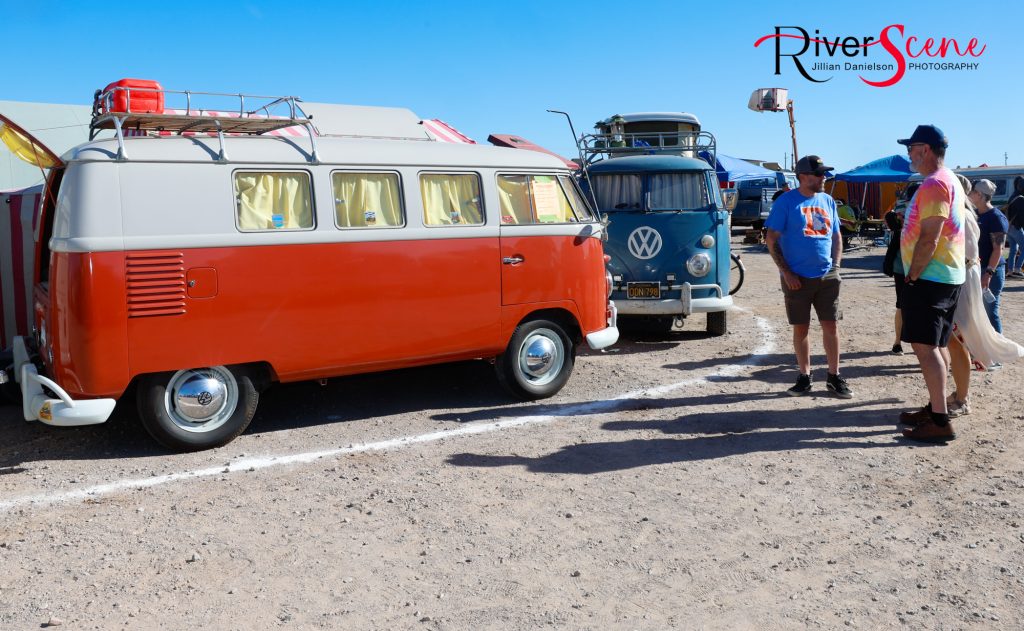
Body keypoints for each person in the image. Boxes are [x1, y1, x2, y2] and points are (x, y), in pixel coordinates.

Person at [895, 125, 966, 443]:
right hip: (944, 276)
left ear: (924, 149)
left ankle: (939, 421)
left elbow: (930, 237)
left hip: (930, 278)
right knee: (936, 345)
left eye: (911, 148)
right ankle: (937, 407)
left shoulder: (935, 183)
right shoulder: (948, 179)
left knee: (926, 348)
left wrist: (913, 274)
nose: (908, 154)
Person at [765, 154, 852, 398]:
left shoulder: (828, 200)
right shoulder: (786, 202)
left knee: (831, 326)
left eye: (824, 173)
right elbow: (771, 238)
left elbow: (836, 235)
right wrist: (786, 272)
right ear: (803, 177)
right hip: (797, 278)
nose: (824, 177)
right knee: (801, 329)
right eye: (819, 174)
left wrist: (836, 265)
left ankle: (834, 376)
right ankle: (804, 376)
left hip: (827, 275)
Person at [882, 183, 917, 355]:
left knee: (903, 305)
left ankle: (899, 343)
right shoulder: (906, 214)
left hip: (908, 267)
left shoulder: (906, 212)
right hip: (905, 267)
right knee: (904, 305)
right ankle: (898, 342)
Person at [969, 179, 1008, 332]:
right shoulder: (976, 214)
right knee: (977, 313)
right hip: (978, 268)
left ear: (979, 194)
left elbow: (998, 249)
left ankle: (998, 346)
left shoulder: (996, 217)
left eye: (971, 192)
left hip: (991, 270)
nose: (969, 195)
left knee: (990, 313)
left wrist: (988, 273)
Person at [1005, 176, 1024, 278]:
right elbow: (1022, 216)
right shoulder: (1020, 199)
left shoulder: (1013, 196)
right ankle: (1017, 269)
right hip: (1016, 227)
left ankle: (1010, 271)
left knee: (1013, 249)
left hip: (1009, 227)